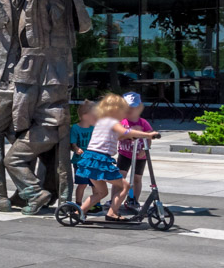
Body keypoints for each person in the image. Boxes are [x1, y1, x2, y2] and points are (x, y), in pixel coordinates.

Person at [79, 93, 161, 221]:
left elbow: (115, 136)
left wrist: (131, 136)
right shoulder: (112, 121)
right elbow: (126, 131)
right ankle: (112, 213)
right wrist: (147, 135)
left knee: (102, 192)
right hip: (100, 160)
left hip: (91, 160)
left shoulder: (102, 121)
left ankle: (80, 211)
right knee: (125, 186)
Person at [116, 91, 156, 204]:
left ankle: (134, 200)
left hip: (139, 156)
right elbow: (116, 136)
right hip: (124, 153)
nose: (130, 110)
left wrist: (145, 149)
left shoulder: (143, 123)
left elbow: (149, 136)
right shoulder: (121, 122)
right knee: (120, 177)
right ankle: (114, 198)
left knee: (137, 178)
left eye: (133, 107)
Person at [69, 98, 100, 213]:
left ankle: (96, 203)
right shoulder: (75, 128)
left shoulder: (94, 128)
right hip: (80, 161)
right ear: (85, 116)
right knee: (82, 183)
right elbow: (73, 143)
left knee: (95, 183)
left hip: (93, 160)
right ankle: (78, 203)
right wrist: (76, 148)